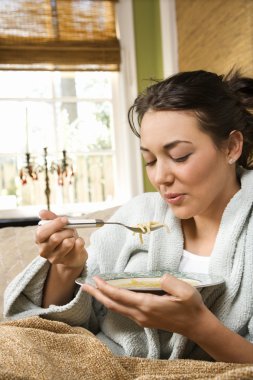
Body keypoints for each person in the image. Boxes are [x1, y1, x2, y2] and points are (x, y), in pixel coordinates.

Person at [4, 69, 253, 363]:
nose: (160, 177)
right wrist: (66, 268)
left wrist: (197, 326)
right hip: (108, 362)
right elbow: (59, 327)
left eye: (180, 156)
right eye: (150, 160)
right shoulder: (138, 214)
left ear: (232, 147)